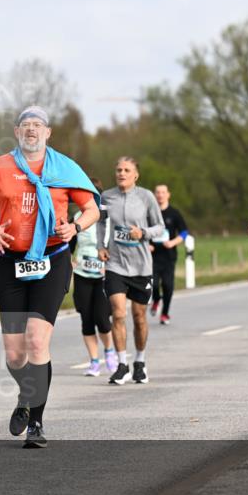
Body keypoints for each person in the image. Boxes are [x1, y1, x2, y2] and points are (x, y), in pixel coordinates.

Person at [0, 106, 100, 448]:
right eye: (25, 125)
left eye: (37, 125)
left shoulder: (65, 168)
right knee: (15, 355)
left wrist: (75, 226)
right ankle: (26, 394)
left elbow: (92, 209)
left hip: (52, 260)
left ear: (48, 133)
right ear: (16, 132)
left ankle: (37, 424)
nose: (31, 130)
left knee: (37, 341)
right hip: (12, 263)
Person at [97, 157, 164, 384]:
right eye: (118, 170)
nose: (121, 173)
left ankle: (140, 362)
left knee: (139, 317)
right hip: (115, 263)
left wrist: (142, 233)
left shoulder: (146, 197)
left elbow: (160, 227)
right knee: (118, 313)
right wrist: (101, 246)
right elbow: (101, 222)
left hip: (141, 266)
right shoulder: (107, 196)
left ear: (136, 175)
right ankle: (122, 364)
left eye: (127, 170)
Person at [70, 177, 117, 376]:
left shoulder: (110, 219)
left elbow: (117, 245)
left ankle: (109, 352)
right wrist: (69, 260)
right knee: (86, 319)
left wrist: (111, 263)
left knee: (103, 319)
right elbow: (69, 244)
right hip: (82, 274)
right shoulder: (77, 217)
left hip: (103, 276)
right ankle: (94, 361)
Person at [149, 184, 189, 325]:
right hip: (152, 256)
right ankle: (156, 299)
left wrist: (173, 242)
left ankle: (165, 313)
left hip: (168, 256)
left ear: (168, 195)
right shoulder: (150, 213)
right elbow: (141, 231)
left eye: (163, 192)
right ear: (154, 195)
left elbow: (184, 232)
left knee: (168, 286)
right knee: (153, 284)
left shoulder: (174, 213)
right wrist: (146, 245)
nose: (160, 195)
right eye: (158, 192)